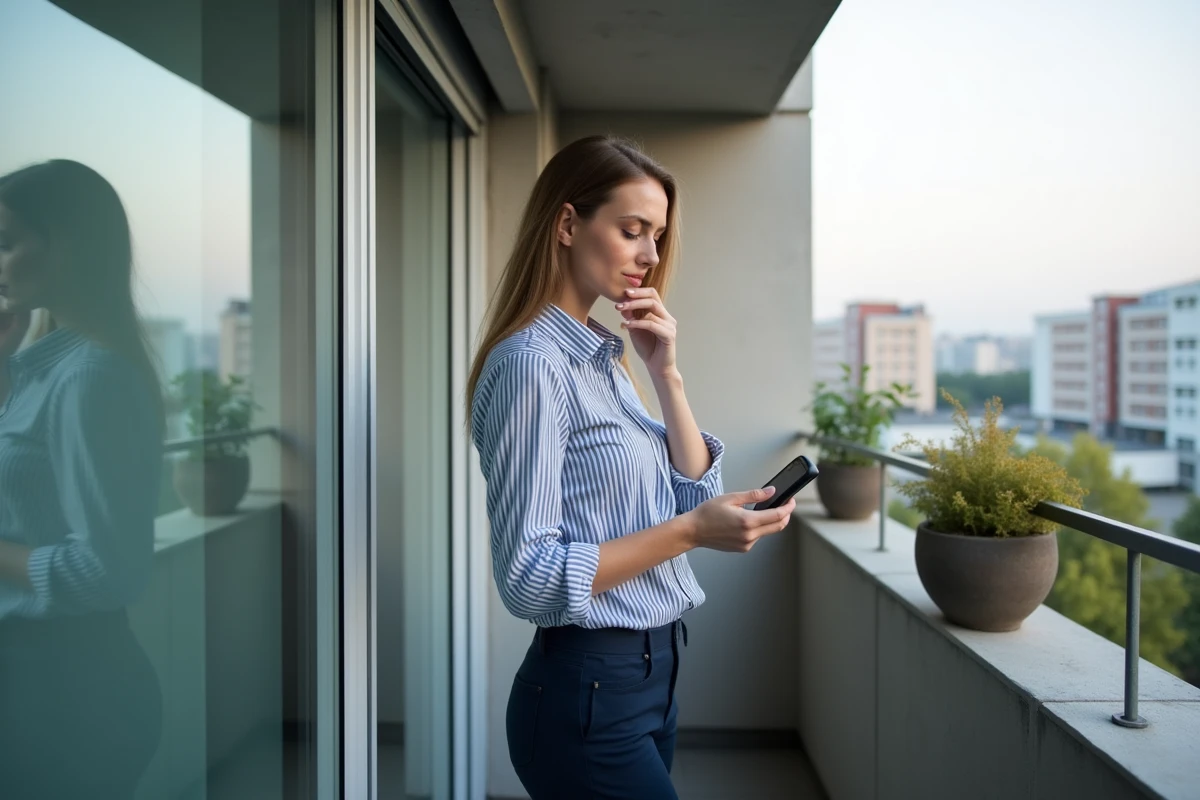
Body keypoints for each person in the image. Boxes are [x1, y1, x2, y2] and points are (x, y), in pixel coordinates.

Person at [468, 136, 796, 799]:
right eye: (632, 230)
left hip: (655, 674)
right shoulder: (533, 365)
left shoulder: (604, 360)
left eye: (658, 235)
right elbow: (528, 579)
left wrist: (664, 373)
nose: (650, 254)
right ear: (567, 225)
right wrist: (691, 534)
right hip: (588, 691)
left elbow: (690, 493)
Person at [0, 160, 165, 797]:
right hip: (43, 684)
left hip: (63, 692)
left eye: (7, 243)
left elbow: (110, 570)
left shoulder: (90, 376)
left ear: (64, 245)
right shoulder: (41, 371)